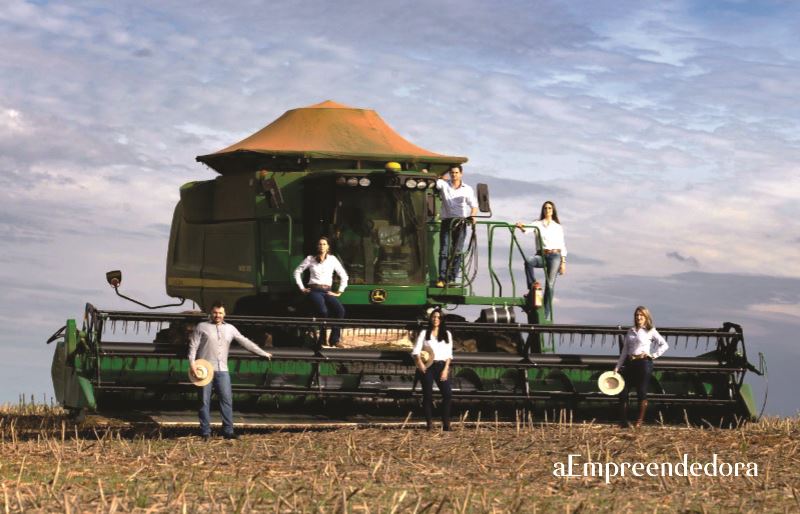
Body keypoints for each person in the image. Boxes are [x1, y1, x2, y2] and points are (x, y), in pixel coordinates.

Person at [188, 301, 273, 440]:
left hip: (223, 370)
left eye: (220, 313)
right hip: (203, 369)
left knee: (226, 400)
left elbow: (244, 341)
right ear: (211, 313)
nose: (218, 315)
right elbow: (193, 346)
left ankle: (228, 431)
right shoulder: (201, 327)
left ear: (224, 314)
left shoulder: (230, 328)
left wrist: (262, 353)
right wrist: (192, 364)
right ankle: (205, 432)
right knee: (204, 401)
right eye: (215, 312)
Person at [613, 306, 669, 427]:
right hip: (630, 363)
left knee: (641, 391)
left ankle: (639, 421)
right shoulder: (630, 331)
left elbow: (664, 345)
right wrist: (617, 366)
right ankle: (623, 421)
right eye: (637, 315)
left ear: (646, 317)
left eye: (641, 315)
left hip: (644, 363)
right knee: (623, 391)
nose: (638, 317)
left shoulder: (650, 330)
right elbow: (624, 350)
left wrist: (653, 355)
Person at [515, 200, 567, 319]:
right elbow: (527, 230)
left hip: (555, 256)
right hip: (542, 255)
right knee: (528, 260)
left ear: (553, 211)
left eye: (549, 208)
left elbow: (562, 244)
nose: (547, 210)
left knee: (550, 284)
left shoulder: (557, 227)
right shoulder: (537, 223)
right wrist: (521, 227)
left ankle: (546, 314)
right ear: (543, 210)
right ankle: (532, 285)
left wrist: (563, 262)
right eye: (545, 208)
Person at [294, 236, 349, 348]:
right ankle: (322, 339)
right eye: (320, 244)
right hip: (314, 290)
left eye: (324, 244)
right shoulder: (310, 259)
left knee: (340, 311)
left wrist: (339, 291)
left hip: (327, 291)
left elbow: (344, 275)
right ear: (317, 246)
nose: (322, 246)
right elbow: (297, 272)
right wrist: (302, 287)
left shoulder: (332, 259)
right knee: (323, 312)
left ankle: (334, 340)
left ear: (328, 247)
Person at [435, 164, 478, 287]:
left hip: (461, 222)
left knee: (457, 251)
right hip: (447, 221)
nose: (454, 175)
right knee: (444, 250)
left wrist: (473, 216)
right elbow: (433, 181)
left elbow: (474, 206)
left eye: (456, 173)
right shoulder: (443, 184)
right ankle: (442, 279)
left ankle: (452, 278)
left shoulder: (467, 189)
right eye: (452, 173)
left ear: (461, 174)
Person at [412, 307, 453, 431]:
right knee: (428, 396)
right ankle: (429, 424)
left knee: (447, 394)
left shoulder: (447, 334)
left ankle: (446, 424)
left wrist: (446, 369)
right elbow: (416, 350)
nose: (436, 319)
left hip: (441, 366)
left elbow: (449, 354)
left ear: (442, 320)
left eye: (438, 317)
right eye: (434, 317)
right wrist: (420, 364)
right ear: (431, 319)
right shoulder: (425, 333)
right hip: (428, 367)